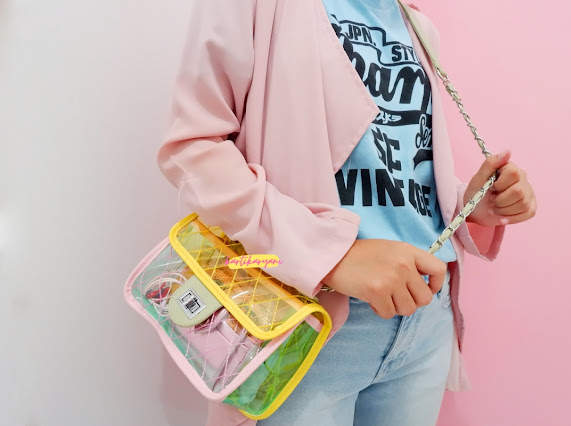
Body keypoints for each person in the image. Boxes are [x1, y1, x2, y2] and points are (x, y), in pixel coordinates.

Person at [156, 0, 537, 425]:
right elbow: (193, 148)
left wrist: (472, 204)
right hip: (305, 316)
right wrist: (332, 255)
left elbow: (398, 169)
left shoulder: (416, 24)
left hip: (426, 316)